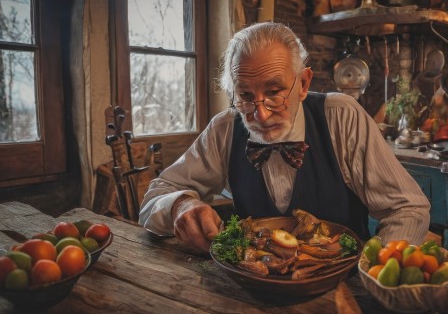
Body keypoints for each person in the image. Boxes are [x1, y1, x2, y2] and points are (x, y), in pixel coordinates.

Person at [139, 22, 431, 255]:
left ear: (303, 83)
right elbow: (155, 197)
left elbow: (408, 208)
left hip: (343, 289)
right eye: (245, 96)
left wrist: (375, 268)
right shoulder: (225, 128)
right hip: (254, 288)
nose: (261, 115)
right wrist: (181, 205)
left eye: (275, 92)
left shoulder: (340, 116)